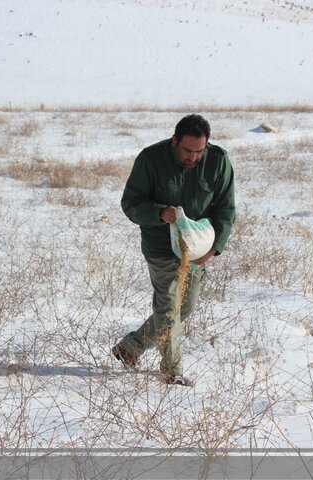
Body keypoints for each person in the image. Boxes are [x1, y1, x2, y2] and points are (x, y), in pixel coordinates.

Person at [112, 114, 235, 385]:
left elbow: (226, 208)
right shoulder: (150, 159)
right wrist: (158, 213)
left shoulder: (218, 161)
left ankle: (129, 348)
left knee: (185, 308)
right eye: (187, 150)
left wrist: (214, 248)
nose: (193, 157)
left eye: (199, 152)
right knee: (168, 307)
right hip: (160, 247)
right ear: (174, 140)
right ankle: (171, 372)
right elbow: (130, 203)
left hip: (196, 249)